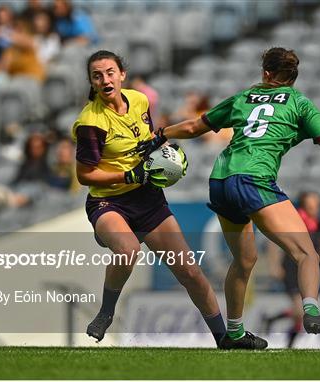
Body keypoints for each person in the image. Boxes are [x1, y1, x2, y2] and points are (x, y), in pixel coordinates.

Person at [136, 47, 320, 349]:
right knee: (307, 254)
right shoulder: (300, 103)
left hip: (221, 181)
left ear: (266, 72)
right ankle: (312, 312)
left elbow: (193, 126)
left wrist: (160, 134)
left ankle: (234, 334)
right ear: (293, 76)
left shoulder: (243, 98)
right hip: (254, 181)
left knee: (245, 259)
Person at [71, 50, 225, 346]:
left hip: (148, 199)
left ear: (122, 75)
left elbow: (142, 142)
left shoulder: (139, 101)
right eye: (97, 75)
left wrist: (160, 154)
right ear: (91, 81)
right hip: (109, 202)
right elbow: (85, 176)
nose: (105, 79)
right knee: (128, 250)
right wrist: (127, 176)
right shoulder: (91, 122)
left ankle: (224, 338)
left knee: (190, 271)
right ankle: (106, 312)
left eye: (110, 72)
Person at [264, 190, 320, 348]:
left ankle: (279, 328)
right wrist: (274, 265)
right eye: (312, 205)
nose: (315, 209)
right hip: (291, 268)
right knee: (300, 311)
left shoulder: (319, 224)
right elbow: (273, 241)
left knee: (301, 313)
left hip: (308, 270)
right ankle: (288, 342)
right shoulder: (295, 220)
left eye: (317, 205)